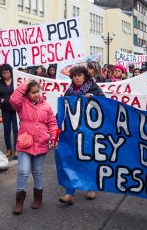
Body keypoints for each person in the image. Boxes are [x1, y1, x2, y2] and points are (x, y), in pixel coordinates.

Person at [9, 78, 58, 214]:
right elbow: (13, 99)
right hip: (25, 144)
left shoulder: (46, 106)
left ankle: (38, 198)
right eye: (33, 92)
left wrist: (54, 138)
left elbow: (52, 124)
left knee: (37, 172)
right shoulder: (21, 104)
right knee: (23, 171)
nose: (36, 94)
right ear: (27, 93)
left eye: (38, 91)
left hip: (41, 144)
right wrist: (24, 84)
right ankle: (19, 202)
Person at [59, 65, 105, 205]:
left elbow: (104, 104)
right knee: (71, 160)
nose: (77, 78)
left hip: (89, 132)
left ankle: (90, 187)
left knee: (88, 159)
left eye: (79, 75)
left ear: (85, 76)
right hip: (73, 132)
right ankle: (69, 193)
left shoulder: (94, 89)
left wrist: (93, 100)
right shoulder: (70, 91)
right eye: (74, 76)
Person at [0, 64, 18, 158]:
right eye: (4, 73)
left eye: (7, 72)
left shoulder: (16, 81)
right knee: (7, 129)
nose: (6, 74)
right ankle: (8, 149)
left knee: (16, 129)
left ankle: (17, 149)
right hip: (5, 109)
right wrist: (1, 100)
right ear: (1, 73)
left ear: (10, 72)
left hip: (16, 109)